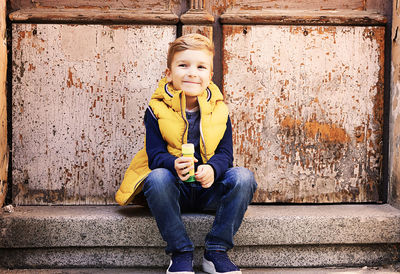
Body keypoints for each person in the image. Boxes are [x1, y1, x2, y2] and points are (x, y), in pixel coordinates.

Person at [115, 33, 257, 274]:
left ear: (210, 76)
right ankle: (180, 251)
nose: (192, 73)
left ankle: (216, 251)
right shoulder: (155, 109)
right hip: (175, 190)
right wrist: (174, 164)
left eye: (201, 67)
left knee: (244, 177)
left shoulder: (220, 111)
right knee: (157, 178)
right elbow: (155, 154)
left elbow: (225, 154)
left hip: (208, 190)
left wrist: (212, 169)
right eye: (183, 65)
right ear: (169, 73)